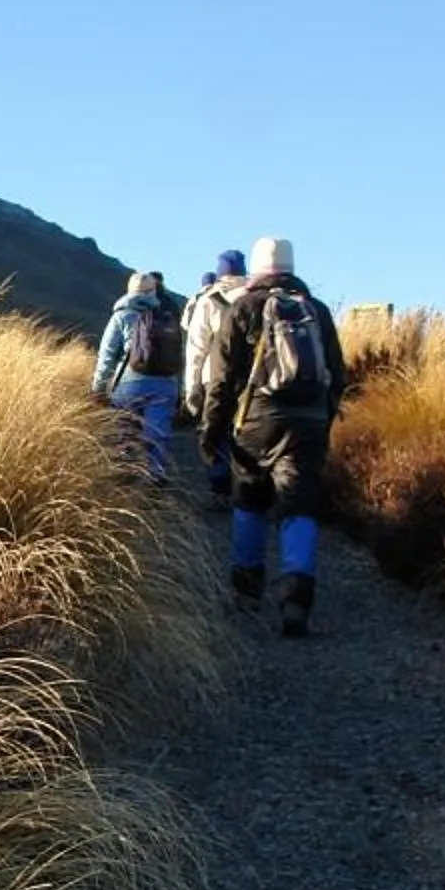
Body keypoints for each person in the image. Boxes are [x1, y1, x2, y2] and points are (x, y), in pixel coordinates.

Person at [197, 236, 348, 636]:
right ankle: (296, 595)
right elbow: (338, 374)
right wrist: (322, 419)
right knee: (299, 504)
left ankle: (247, 591)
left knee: (249, 497)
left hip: (256, 422)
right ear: (291, 267)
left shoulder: (243, 307)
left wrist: (211, 431)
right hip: (309, 422)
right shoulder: (315, 311)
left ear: (258, 269)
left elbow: (222, 380)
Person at [89, 269, 186, 485]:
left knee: (126, 427)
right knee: (158, 431)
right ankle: (156, 473)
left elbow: (106, 356)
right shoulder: (168, 318)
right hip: (166, 383)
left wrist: (98, 387)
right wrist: (179, 389)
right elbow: (178, 357)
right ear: (154, 292)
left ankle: (127, 467)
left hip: (130, 383)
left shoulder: (121, 316)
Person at [181, 249, 251, 500]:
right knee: (244, 432)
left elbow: (196, 349)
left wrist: (192, 389)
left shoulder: (209, 300)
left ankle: (220, 487)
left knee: (216, 431)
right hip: (252, 380)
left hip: (215, 377)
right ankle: (247, 487)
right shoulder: (257, 297)